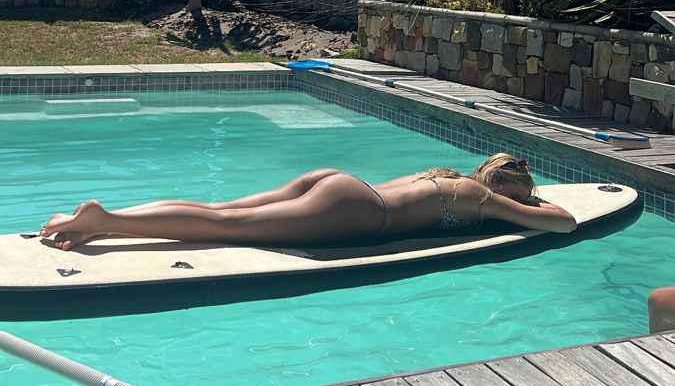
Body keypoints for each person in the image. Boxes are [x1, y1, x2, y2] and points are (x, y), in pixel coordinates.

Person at [39, 151, 577, 251]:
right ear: (507, 185)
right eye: (523, 193)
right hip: (357, 211)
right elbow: (562, 223)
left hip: (340, 181)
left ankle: (106, 220)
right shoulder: (485, 198)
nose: (526, 202)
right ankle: (104, 222)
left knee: (223, 209)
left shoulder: (445, 175)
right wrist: (534, 204)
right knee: (226, 229)